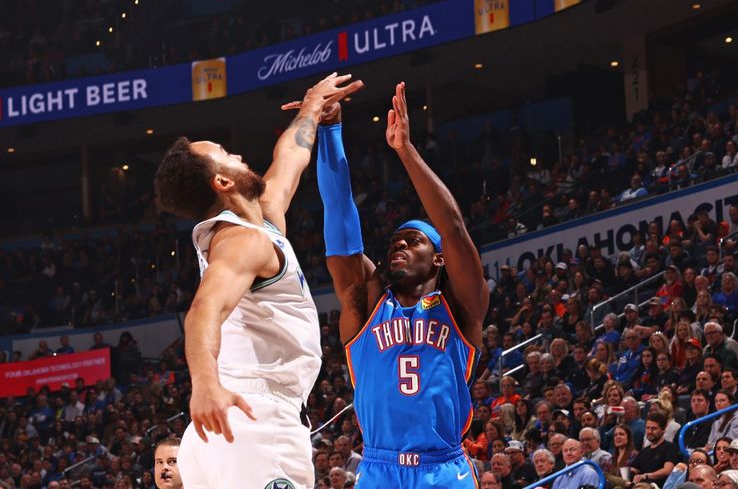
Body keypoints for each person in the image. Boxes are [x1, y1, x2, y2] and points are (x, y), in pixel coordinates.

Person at [153, 71, 362, 489]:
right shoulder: (241, 242)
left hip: (230, 426)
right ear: (224, 181)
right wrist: (206, 384)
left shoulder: (263, 221)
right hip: (253, 418)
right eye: (226, 154)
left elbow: (291, 157)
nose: (238, 155)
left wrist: (311, 109)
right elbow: (203, 312)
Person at [315, 82, 488, 486]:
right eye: (394, 243)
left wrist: (405, 151)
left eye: (414, 242)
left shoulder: (462, 306)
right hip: (379, 467)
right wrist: (330, 132)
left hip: (444, 468)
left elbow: (455, 228)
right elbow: (339, 219)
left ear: (439, 257)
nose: (400, 247)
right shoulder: (366, 302)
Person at [630, 411, 681, 486]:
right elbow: (633, 470)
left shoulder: (670, 447)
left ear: (663, 429)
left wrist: (646, 476)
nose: (649, 431)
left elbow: (667, 470)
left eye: (653, 428)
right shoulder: (643, 452)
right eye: (647, 428)